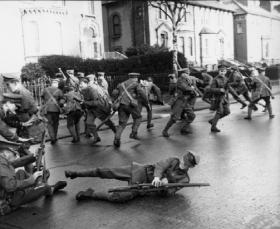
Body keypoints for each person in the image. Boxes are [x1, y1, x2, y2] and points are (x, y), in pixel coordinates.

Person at [65, 151, 200, 202]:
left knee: (118, 197)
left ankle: (91, 194)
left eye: (187, 162)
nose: (183, 162)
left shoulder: (185, 180)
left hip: (144, 187)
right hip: (140, 171)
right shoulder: (174, 159)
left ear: (191, 166)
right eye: (184, 158)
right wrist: (158, 177)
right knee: (105, 171)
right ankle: (75, 174)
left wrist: (165, 186)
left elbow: (170, 192)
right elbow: (160, 165)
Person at [0, 141, 67, 216]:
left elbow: (15, 163)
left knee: (21, 172)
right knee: (45, 187)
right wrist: (31, 179)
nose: (16, 156)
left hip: (6, 194)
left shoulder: (2, 160)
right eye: (14, 154)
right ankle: (49, 189)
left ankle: (35, 186)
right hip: (8, 201)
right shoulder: (1, 164)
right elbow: (10, 186)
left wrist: (34, 156)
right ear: (4, 154)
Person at [111, 73, 148, 147]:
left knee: (122, 124)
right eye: (137, 77)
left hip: (121, 105)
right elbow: (141, 93)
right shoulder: (136, 84)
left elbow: (114, 93)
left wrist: (115, 100)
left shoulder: (121, 84)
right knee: (138, 117)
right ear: (136, 77)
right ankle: (133, 133)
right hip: (131, 105)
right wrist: (146, 100)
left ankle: (116, 140)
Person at [80, 78, 116, 145]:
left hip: (99, 109)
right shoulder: (82, 91)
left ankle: (117, 135)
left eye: (81, 84)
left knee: (108, 123)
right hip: (91, 110)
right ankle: (96, 137)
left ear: (86, 84)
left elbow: (96, 103)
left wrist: (85, 102)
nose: (80, 85)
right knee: (89, 123)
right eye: (80, 84)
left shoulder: (92, 90)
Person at [162, 68, 196, 137]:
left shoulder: (187, 80)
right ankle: (165, 130)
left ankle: (184, 128)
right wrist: (192, 88)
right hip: (179, 101)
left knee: (192, 115)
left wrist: (193, 88)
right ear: (182, 74)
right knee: (175, 118)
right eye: (186, 73)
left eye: (188, 73)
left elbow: (191, 89)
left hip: (185, 101)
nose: (188, 74)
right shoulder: (180, 80)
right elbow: (186, 88)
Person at [41, 78, 64, 145]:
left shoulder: (45, 90)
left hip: (47, 109)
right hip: (56, 109)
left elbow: (42, 98)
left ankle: (52, 138)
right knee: (55, 124)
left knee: (49, 124)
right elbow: (62, 99)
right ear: (56, 84)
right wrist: (61, 105)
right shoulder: (59, 90)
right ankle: (55, 137)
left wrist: (45, 103)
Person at [208, 65, 230, 132]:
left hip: (224, 98)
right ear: (218, 71)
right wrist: (219, 89)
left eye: (223, 71)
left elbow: (228, 89)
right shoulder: (215, 79)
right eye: (221, 71)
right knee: (219, 112)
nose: (222, 72)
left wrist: (228, 96)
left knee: (227, 112)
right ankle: (213, 127)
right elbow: (211, 89)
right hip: (218, 98)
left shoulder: (226, 79)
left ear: (226, 71)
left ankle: (213, 120)